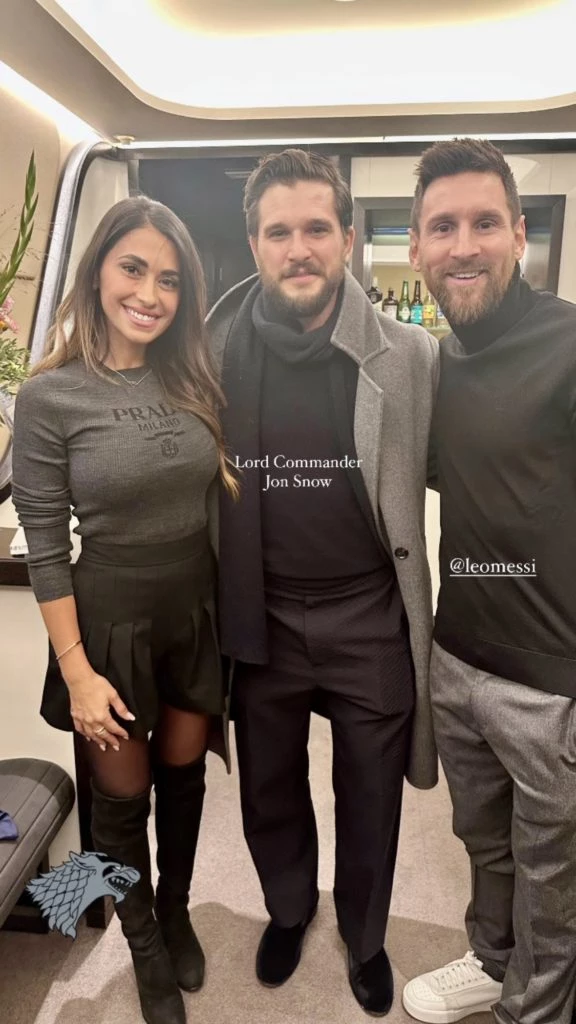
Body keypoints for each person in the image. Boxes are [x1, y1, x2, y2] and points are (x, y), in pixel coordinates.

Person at [208, 148, 439, 1016]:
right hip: (256, 609)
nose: (297, 248)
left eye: (316, 229)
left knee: (371, 794)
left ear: (347, 239)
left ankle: (366, 934)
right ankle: (287, 907)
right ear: (256, 245)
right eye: (279, 232)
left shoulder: (411, 356)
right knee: (269, 787)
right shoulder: (211, 350)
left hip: (368, 612)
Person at [12, 196, 237, 1024]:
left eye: (170, 279)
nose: (150, 293)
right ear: (97, 272)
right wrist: (76, 673)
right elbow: (43, 546)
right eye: (133, 268)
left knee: (184, 780)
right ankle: (140, 941)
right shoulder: (50, 399)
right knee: (120, 797)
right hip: (107, 622)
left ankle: (174, 910)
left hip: (193, 612)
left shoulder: (194, 377)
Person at [402, 139, 576, 1024]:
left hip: (553, 682)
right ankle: (492, 958)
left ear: (518, 234)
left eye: (482, 223)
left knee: (554, 868)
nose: (462, 244)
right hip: (459, 659)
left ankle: (533, 1009)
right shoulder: (437, 365)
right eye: (442, 226)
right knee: (483, 841)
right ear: (417, 249)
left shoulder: (572, 342)